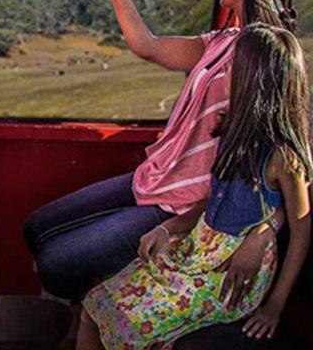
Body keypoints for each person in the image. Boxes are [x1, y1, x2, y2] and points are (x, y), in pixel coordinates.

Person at [23, 0, 297, 305]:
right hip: (155, 178)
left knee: (57, 263)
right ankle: (94, 310)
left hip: (184, 203)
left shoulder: (267, 55)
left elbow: (288, 153)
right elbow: (147, 45)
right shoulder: (220, 41)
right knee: (36, 228)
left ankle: (94, 315)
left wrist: (267, 227)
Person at [78, 24, 312, 348]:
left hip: (227, 276)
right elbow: (214, 201)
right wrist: (168, 228)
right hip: (197, 249)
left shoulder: (282, 157)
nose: (225, 72)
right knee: (96, 302)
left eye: (231, 67)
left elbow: (301, 227)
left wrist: (275, 305)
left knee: (129, 326)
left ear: (252, 82)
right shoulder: (231, 132)